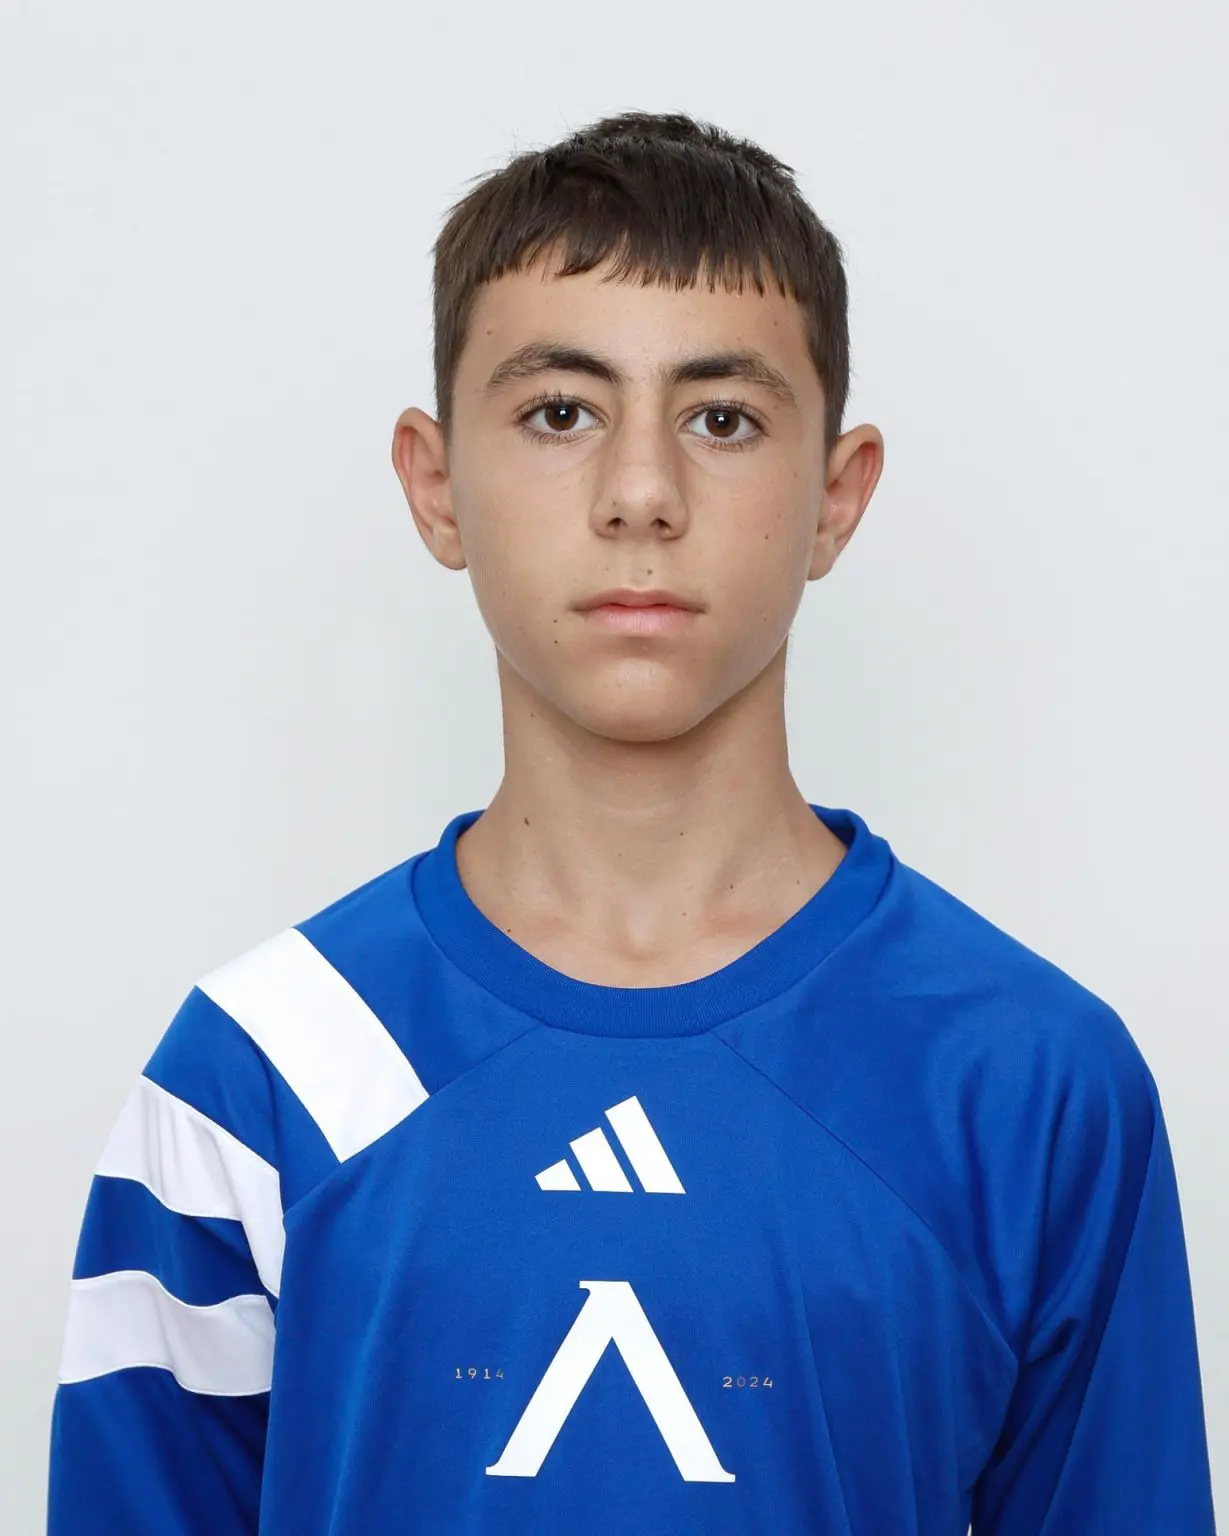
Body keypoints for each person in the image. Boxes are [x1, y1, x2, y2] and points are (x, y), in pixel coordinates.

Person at [47, 110, 1215, 1535]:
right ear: (435, 485)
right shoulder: (256, 1075)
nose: (643, 495)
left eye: (722, 419)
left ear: (837, 497)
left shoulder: (1028, 1079)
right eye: (560, 413)